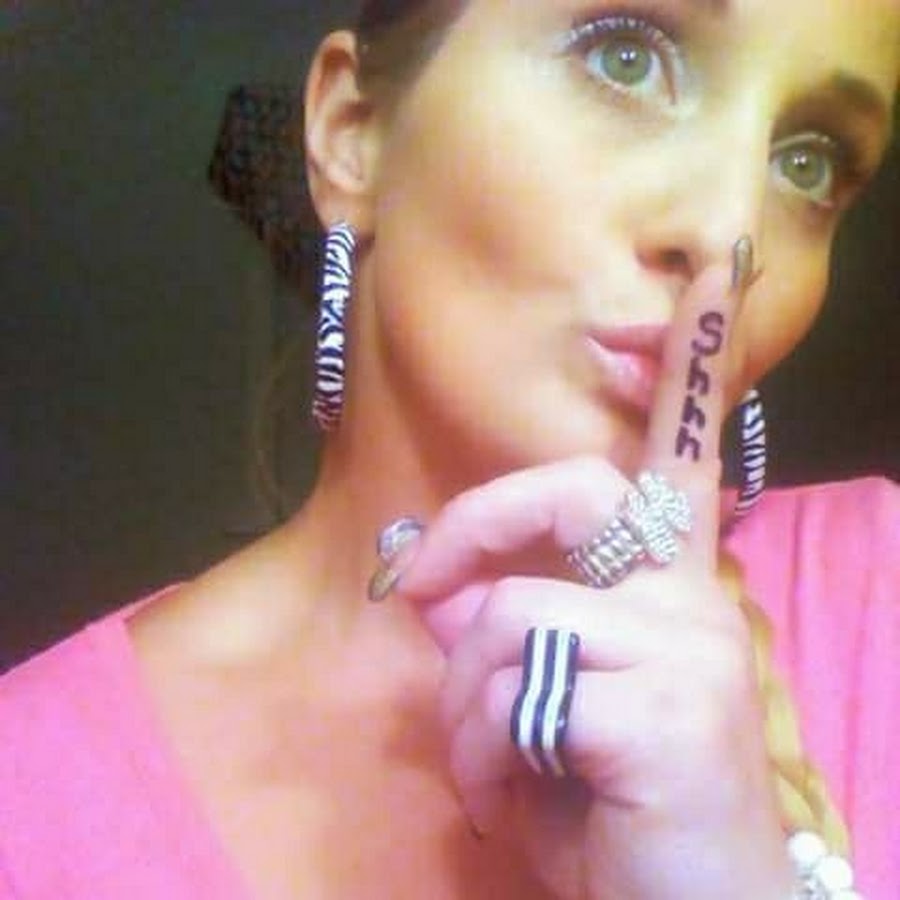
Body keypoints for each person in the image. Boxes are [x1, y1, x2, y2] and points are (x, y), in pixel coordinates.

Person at [1, 1, 898, 898]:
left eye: (807, 162)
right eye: (625, 59)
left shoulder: (876, 589)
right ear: (353, 133)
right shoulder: (30, 801)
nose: (730, 234)